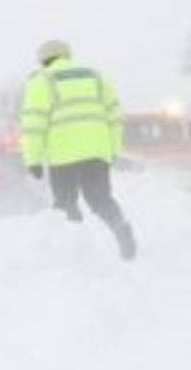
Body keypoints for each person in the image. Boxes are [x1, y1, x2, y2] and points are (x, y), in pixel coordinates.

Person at [19, 39, 137, 261]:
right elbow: (114, 116)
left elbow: (33, 124)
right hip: (96, 152)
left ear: (44, 60)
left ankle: (74, 252)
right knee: (101, 199)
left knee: (65, 204)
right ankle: (122, 230)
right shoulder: (95, 76)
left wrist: (33, 159)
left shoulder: (42, 80)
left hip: (62, 156)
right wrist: (113, 149)